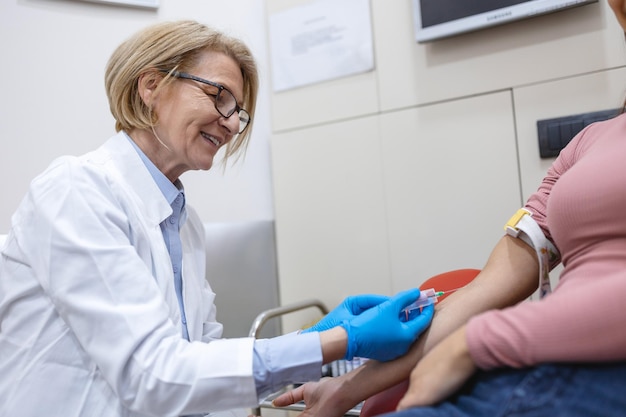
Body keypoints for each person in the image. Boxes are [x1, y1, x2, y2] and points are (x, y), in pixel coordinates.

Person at [0, 20, 435, 417]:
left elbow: (198, 360)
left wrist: (311, 338)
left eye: (239, 112)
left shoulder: (185, 226)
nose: (230, 124)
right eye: (219, 96)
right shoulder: (77, 191)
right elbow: (153, 375)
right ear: (151, 85)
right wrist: (337, 342)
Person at [272, 1, 626, 415]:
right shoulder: (588, 143)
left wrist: (477, 341)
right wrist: (346, 388)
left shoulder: (490, 338)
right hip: (539, 365)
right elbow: (483, 292)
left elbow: (475, 331)